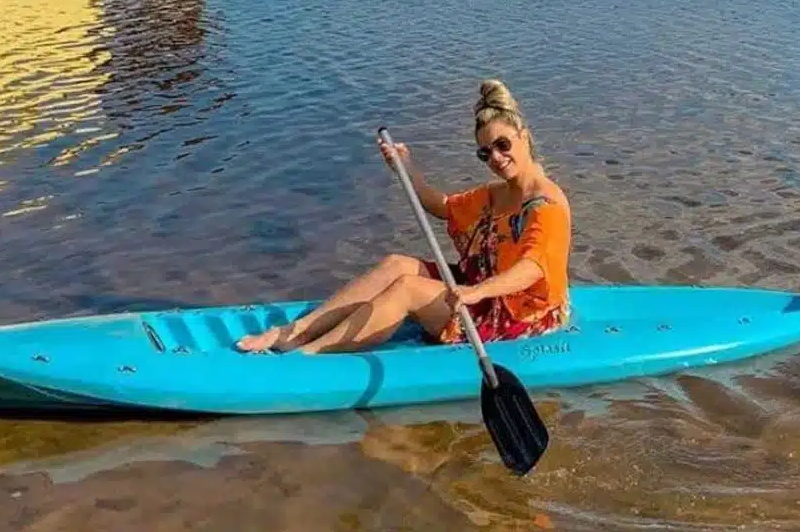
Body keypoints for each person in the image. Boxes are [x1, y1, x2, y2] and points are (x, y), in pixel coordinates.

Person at [235, 78, 572, 355]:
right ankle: (294, 333)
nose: (496, 157)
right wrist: (406, 168)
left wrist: (476, 292)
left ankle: (309, 355)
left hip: (522, 313)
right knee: (397, 264)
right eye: (486, 152)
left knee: (408, 288)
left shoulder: (546, 204)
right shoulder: (498, 192)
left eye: (503, 144)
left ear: (523, 136)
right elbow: (441, 206)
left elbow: (531, 269)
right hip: (484, 289)